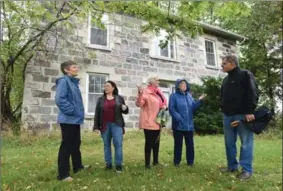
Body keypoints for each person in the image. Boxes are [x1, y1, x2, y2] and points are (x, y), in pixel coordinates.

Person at [220, 55, 259, 180]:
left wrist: (250, 111)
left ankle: (246, 170)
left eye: (224, 63)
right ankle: (232, 166)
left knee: (246, 142)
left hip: (242, 115)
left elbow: (253, 92)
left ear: (232, 63)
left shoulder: (245, 74)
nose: (222, 65)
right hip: (227, 115)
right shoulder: (225, 80)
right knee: (229, 142)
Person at [55, 60, 90, 182]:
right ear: (66, 70)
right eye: (74, 67)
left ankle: (78, 167)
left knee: (76, 144)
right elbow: (60, 99)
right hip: (68, 119)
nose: (77, 68)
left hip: (75, 120)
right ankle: (63, 174)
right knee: (66, 146)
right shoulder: (64, 81)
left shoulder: (73, 83)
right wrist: (72, 111)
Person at [169, 79, 206, 167]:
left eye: (185, 84)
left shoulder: (189, 96)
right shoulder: (173, 96)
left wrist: (199, 100)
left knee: (190, 145)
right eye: (182, 84)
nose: (184, 85)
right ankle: (177, 162)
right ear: (178, 85)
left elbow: (193, 108)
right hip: (178, 125)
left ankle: (190, 162)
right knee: (178, 145)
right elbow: (171, 109)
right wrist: (179, 118)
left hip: (189, 125)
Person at [93, 81, 129, 173]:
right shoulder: (100, 99)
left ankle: (118, 165)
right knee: (106, 145)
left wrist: (125, 108)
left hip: (117, 125)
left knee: (118, 145)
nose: (105, 88)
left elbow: (125, 111)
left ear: (113, 87)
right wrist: (96, 126)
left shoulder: (119, 98)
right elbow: (97, 113)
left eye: (108, 86)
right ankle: (108, 164)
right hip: (104, 125)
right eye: (104, 86)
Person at [136, 77, 167, 169]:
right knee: (149, 143)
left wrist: (165, 106)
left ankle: (155, 162)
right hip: (149, 122)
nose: (159, 81)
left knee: (156, 143)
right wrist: (140, 93)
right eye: (157, 80)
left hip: (158, 121)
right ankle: (147, 164)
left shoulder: (158, 92)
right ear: (152, 82)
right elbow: (139, 104)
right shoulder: (145, 92)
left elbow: (162, 102)